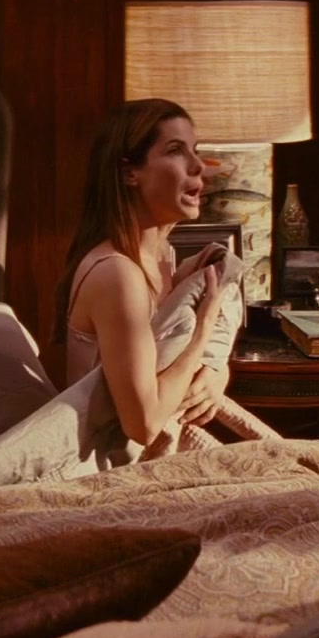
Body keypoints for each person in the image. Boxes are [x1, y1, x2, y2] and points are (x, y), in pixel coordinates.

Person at [52, 98, 231, 446]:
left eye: (195, 150)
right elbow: (143, 425)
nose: (198, 165)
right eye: (176, 150)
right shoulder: (117, 275)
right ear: (129, 173)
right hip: (104, 461)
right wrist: (204, 330)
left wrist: (216, 371)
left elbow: (172, 368)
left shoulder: (163, 256)